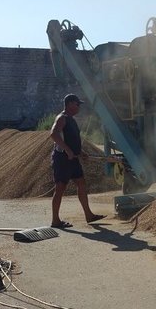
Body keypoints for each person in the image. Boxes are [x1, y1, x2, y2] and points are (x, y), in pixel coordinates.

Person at [49, 93, 106, 228]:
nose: (79, 107)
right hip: (62, 159)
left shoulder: (71, 119)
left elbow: (72, 139)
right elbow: (54, 134)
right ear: (69, 104)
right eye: (77, 104)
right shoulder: (62, 118)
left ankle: (89, 215)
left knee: (81, 183)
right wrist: (67, 150)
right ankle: (55, 221)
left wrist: (80, 152)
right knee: (60, 188)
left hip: (73, 159)